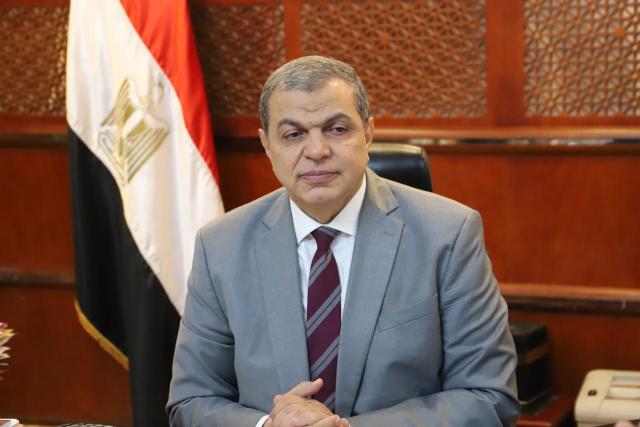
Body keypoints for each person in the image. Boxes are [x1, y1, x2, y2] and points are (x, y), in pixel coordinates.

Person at [167, 55, 519, 427]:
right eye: (293, 135)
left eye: (336, 129)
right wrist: (268, 425)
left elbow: (489, 398)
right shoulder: (220, 247)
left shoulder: (448, 235)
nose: (317, 151)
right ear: (267, 145)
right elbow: (191, 401)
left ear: (367, 133)